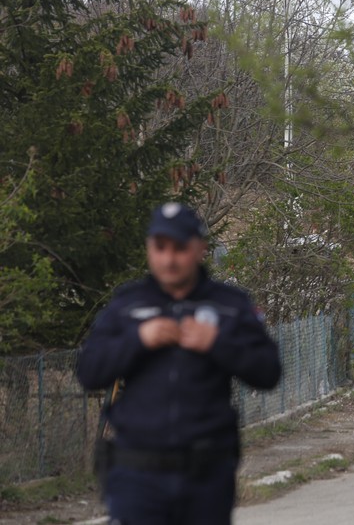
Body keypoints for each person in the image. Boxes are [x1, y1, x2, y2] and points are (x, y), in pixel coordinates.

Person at [76, 202, 282, 525]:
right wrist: (139, 340)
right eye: (160, 248)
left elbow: (269, 371)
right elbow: (89, 372)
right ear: (149, 248)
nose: (169, 259)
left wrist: (216, 343)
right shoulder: (128, 305)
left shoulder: (229, 305)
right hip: (137, 472)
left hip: (206, 474)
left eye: (180, 248)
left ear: (200, 249)